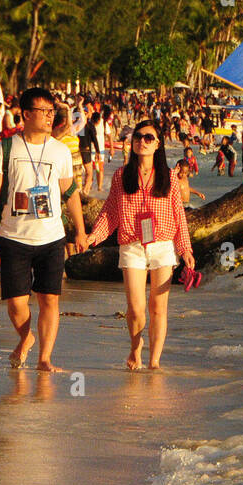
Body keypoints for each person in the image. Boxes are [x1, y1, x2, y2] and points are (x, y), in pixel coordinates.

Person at [0, 88, 88, 372]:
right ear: (27, 114)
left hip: (52, 236)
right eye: (45, 111)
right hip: (14, 234)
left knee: (50, 298)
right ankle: (26, 337)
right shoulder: (6, 147)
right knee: (16, 304)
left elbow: (70, 191)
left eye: (53, 112)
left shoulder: (60, 151)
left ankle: (44, 358)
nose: (51, 117)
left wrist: (80, 230)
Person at [87, 120, 195, 369]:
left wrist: (185, 249)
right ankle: (136, 347)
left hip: (163, 245)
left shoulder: (169, 177)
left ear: (158, 144)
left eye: (148, 138)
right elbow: (110, 212)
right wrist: (95, 236)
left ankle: (155, 360)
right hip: (132, 245)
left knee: (158, 306)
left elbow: (179, 215)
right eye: (138, 137)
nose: (142, 142)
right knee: (135, 308)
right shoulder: (121, 176)